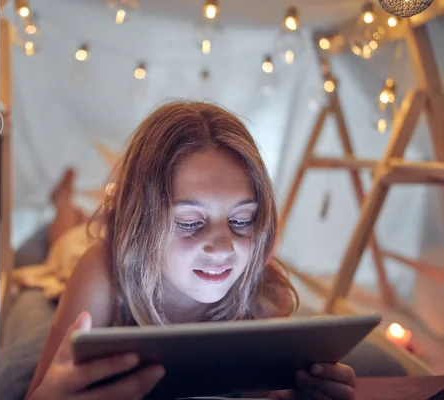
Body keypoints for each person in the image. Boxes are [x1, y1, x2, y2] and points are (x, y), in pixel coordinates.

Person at [24, 101, 356, 400]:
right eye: (189, 221)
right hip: (98, 249)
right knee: (65, 239)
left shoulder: (266, 294)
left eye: (241, 219)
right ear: (140, 221)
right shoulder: (100, 270)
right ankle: (64, 203)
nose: (223, 248)